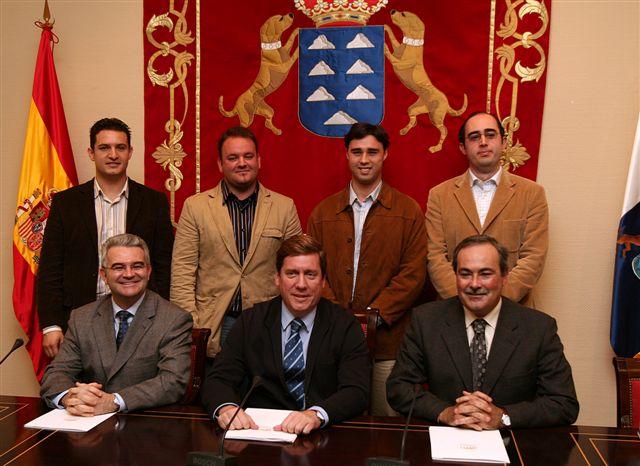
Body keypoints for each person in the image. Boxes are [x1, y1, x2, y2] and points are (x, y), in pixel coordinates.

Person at [387, 235, 579, 429]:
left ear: (504, 277)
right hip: (446, 438)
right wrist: (445, 412)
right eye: (465, 274)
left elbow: (564, 403)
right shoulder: (426, 320)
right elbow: (399, 387)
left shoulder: (538, 328)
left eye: (485, 274)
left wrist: (504, 417)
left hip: (512, 442)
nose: (474, 284)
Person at [307, 123, 427, 416]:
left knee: (386, 422)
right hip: (332, 341)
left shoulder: (409, 211)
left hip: (389, 344)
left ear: (385, 155)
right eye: (357, 152)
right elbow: (312, 271)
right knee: (336, 420)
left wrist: (373, 318)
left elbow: (413, 274)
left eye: (372, 152)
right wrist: (341, 319)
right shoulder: (322, 212)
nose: (364, 159)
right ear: (346, 155)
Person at [201, 235, 370, 434]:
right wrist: (227, 408)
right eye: (292, 274)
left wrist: (316, 415)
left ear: (323, 281)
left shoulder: (345, 325)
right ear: (277, 278)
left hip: (323, 435)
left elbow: (357, 391)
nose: (301, 284)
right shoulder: (251, 321)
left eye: (310, 274)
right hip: (259, 433)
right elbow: (218, 379)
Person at [37, 117, 174, 358]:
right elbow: (50, 267)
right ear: (91, 153)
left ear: (130, 152)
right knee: (80, 382)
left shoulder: (154, 202)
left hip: (141, 320)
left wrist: (161, 318)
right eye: (104, 147)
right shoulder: (66, 203)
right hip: (78, 318)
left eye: (120, 147)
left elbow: (164, 266)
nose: (113, 155)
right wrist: (51, 325)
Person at [171, 126, 302, 362]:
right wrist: (193, 327)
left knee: (264, 385)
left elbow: (296, 270)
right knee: (216, 385)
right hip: (215, 324)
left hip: (268, 323)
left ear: (259, 160)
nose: (242, 163)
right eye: (233, 158)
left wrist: (291, 320)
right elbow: (182, 273)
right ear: (220, 164)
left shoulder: (284, 207)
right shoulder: (195, 207)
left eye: (248, 156)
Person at [40, 234, 192, 415]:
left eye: (137, 266)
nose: (129, 274)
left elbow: (172, 382)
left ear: (149, 271)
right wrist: (70, 397)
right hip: (88, 422)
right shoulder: (82, 318)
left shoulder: (174, 319)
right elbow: (57, 373)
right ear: (104, 275)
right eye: (118, 267)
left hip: (147, 422)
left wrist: (113, 401)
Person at [425, 111, 548, 306]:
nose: (483, 142)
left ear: (504, 142)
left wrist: (494, 303)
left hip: (512, 310)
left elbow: (533, 258)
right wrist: (465, 301)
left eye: (490, 135)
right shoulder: (439, 196)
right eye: (474, 137)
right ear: (463, 147)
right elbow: (435, 256)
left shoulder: (532, 194)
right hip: (455, 310)